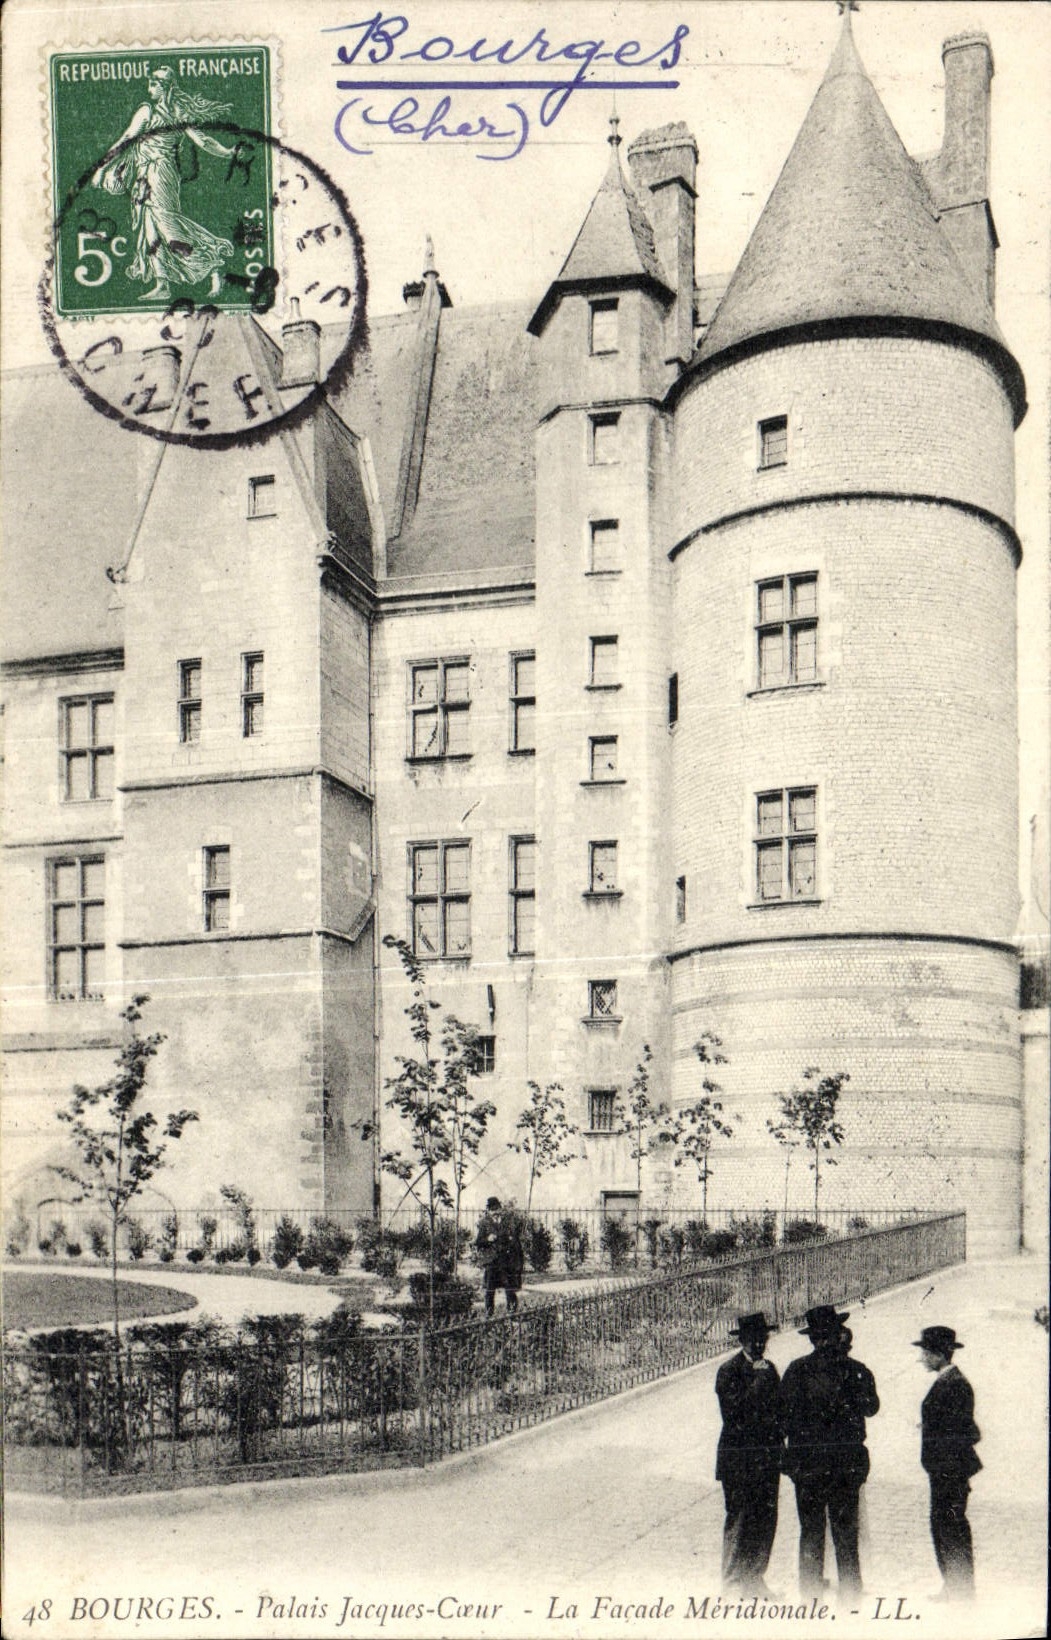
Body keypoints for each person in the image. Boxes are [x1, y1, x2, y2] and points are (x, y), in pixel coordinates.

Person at [92, 67, 237, 302]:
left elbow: (204, 141)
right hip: (143, 174)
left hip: (161, 173)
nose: (149, 87)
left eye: (153, 83)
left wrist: (227, 153)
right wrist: (103, 167)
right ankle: (163, 283)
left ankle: (212, 263)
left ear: (165, 86)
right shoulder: (152, 110)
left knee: (168, 225)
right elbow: (127, 140)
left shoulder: (166, 111)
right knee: (150, 228)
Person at [780, 1305, 880, 1599]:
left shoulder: (796, 1371)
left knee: (811, 1530)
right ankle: (850, 1590)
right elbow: (872, 1408)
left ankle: (810, 1592)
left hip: (808, 1467)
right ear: (837, 1335)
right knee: (845, 1531)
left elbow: (780, 1419)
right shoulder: (856, 1370)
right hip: (845, 1467)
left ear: (813, 1339)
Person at [715, 1311, 784, 1594]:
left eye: (763, 1339)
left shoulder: (771, 1370)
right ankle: (732, 1584)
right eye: (753, 1340)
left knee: (765, 1520)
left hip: (766, 1458)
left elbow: (781, 1410)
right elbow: (734, 1415)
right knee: (740, 1519)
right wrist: (756, 1381)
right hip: (739, 1460)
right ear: (742, 1340)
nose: (759, 1345)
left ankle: (755, 1579)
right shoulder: (729, 1371)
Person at [914, 1325, 980, 1600]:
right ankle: (952, 1585)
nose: (922, 1359)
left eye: (927, 1354)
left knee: (951, 1527)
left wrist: (936, 1433)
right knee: (942, 1526)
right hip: (942, 1469)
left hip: (949, 1470)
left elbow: (967, 1431)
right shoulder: (947, 1381)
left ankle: (962, 1591)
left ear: (941, 1355)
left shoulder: (956, 1385)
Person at [475, 1196, 525, 1316]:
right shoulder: (484, 1223)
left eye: (496, 1208)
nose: (494, 1211)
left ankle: (512, 1314)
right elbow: (478, 1242)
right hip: (492, 1262)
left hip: (506, 1261)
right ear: (488, 1210)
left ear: (500, 1208)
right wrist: (487, 1239)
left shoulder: (509, 1221)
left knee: (510, 1289)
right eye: (492, 1209)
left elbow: (516, 1239)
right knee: (489, 1290)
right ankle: (489, 1314)